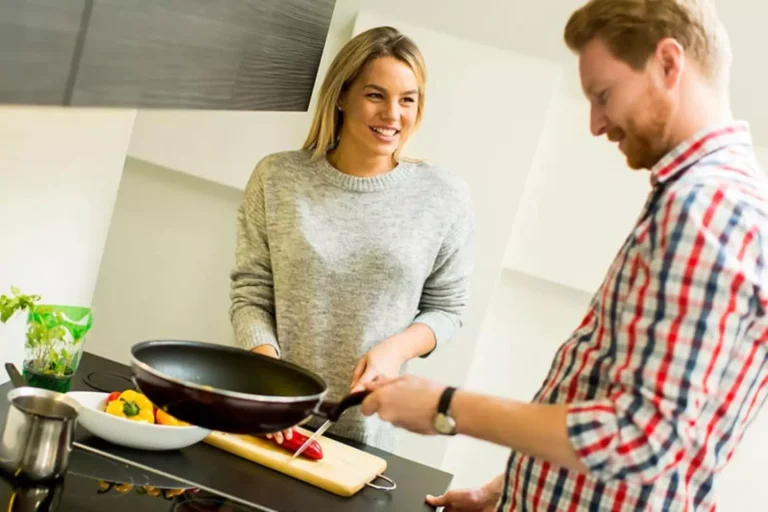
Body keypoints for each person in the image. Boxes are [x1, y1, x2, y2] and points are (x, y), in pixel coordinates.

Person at [360, 0, 768, 509]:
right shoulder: (705, 198)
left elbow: (644, 439)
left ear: (668, 64)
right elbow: (610, 393)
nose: (596, 124)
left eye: (603, 95)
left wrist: (445, 405)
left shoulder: (705, 210)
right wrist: (508, 489)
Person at [229, 26, 475, 452]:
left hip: (370, 432)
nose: (393, 115)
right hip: (269, 419)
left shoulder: (443, 195)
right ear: (341, 96)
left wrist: (394, 351)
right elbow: (250, 294)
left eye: (408, 99)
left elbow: (448, 309)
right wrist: (270, 383)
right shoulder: (277, 177)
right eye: (376, 95)